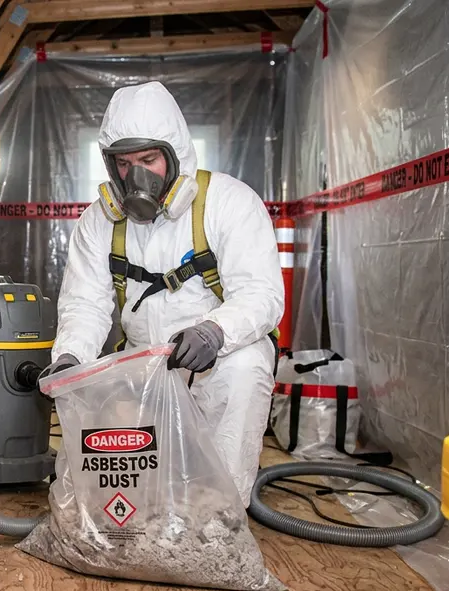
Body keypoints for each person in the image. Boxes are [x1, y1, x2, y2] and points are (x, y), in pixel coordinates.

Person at [45, 82, 283, 504]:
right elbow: (86, 303)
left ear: (175, 154)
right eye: (123, 162)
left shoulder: (228, 203)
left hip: (216, 359)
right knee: (120, 487)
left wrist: (214, 332)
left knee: (246, 367)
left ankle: (221, 517)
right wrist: (71, 357)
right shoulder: (100, 221)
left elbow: (262, 294)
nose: (135, 175)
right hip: (141, 364)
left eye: (149, 159)